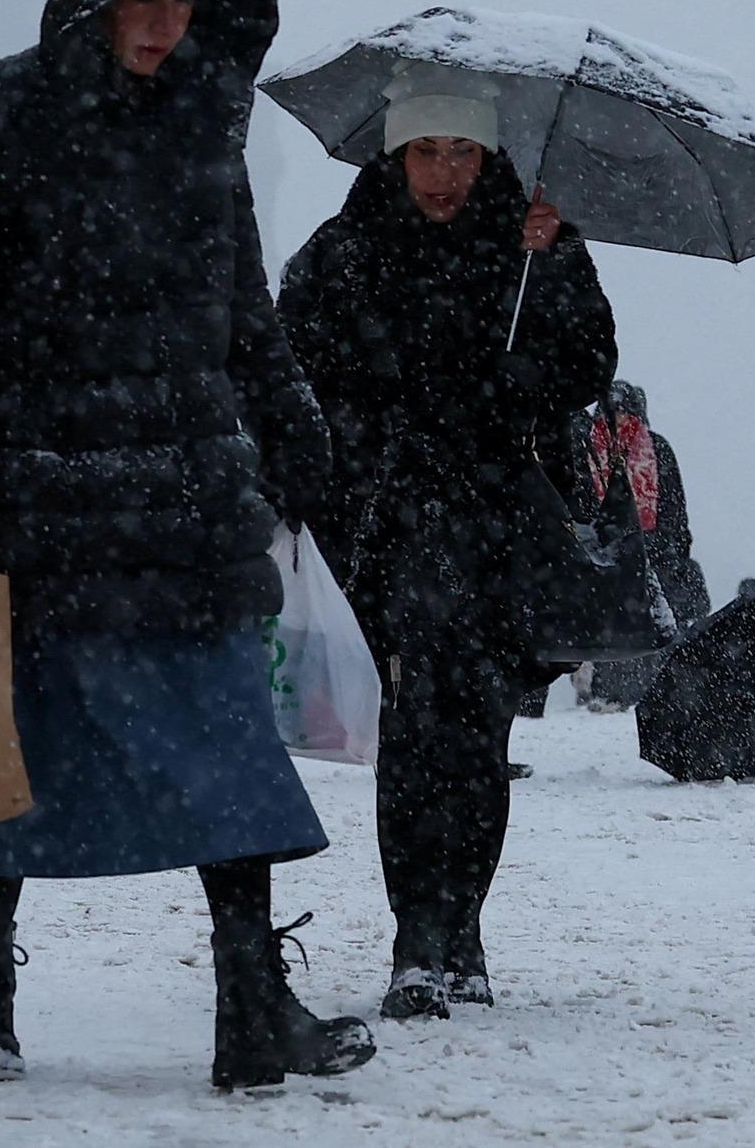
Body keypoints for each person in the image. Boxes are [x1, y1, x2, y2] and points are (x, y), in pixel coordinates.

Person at [0, 0, 374, 1089]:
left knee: (225, 753)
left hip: (176, 494)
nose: (165, 24)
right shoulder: (5, 109)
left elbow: (242, 303)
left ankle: (246, 1005)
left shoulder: (204, 122)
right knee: (13, 744)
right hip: (45, 493)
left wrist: (293, 423)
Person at [280, 71, 617, 1021]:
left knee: (478, 737)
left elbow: (591, 361)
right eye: (425, 150)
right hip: (387, 532)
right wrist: (371, 412)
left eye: (461, 150)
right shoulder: (343, 252)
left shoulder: (535, 244)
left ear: (488, 154)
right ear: (395, 154)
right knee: (414, 733)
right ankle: (417, 939)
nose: (442, 172)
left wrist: (549, 281)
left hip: (500, 531)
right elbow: (291, 373)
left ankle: (462, 928)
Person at [575, 381, 709, 712]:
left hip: (655, 551)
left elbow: (674, 505)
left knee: (650, 624)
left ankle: (650, 694)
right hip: (606, 549)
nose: (618, 418)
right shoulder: (586, 448)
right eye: (611, 411)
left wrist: (676, 549)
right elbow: (581, 499)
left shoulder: (657, 448)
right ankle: (606, 693)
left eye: (623, 411)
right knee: (612, 622)